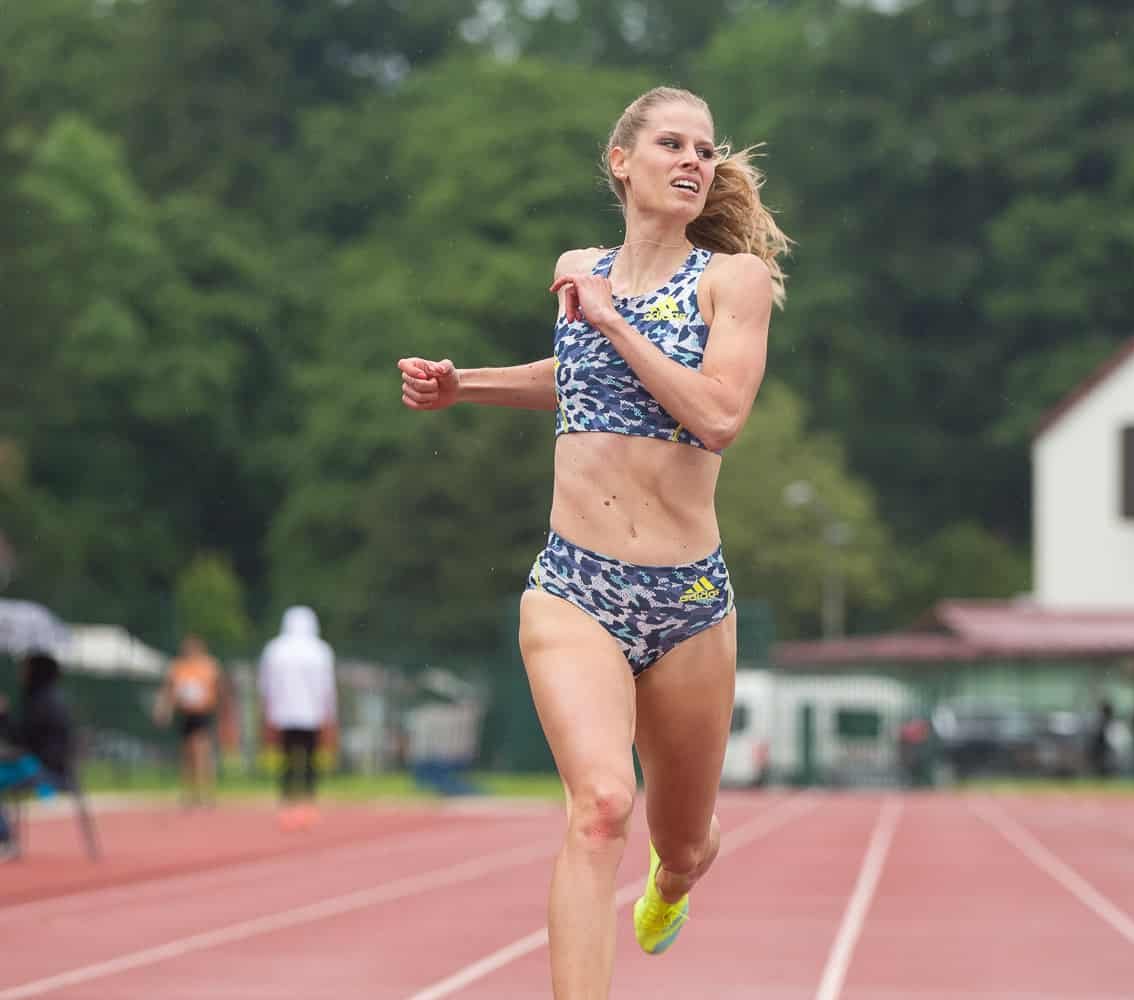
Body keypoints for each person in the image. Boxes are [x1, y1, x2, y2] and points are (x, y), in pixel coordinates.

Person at [398, 85, 788, 997]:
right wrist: (468, 387)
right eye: (671, 144)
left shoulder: (734, 281)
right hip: (575, 586)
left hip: (687, 602)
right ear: (622, 161)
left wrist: (612, 316)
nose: (693, 160)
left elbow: (720, 414)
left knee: (681, 839)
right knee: (603, 809)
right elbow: (576, 377)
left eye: (704, 148)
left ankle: (679, 874)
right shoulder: (580, 265)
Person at [257, 606, 338, 832]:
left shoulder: (274, 650)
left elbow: (266, 687)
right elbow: (327, 689)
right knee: (310, 762)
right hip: (311, 715)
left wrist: (266, 716)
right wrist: (329, 718)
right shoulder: (321, 651)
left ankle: (286, 805)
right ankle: (309, 805)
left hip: (283, 714)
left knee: (287, 762)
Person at [0, 651, 74, 859]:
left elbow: (23, 742)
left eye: (25, 667)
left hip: (44, 771)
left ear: (36, 671)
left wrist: (4, 715)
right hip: (50, 767)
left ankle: (4, 838)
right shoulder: (51, 698)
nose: (20, 672)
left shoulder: (41, 703)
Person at [154, 635, 223, 808]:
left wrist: (220, 711)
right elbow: (168, 690)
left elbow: (219, 689)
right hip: (185, 714)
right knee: (187, 755)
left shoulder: (209, 666)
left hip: (203, 713)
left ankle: (206, 793)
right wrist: (164, 710)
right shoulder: (178, 667)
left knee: (201, 752)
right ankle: (189, 792)